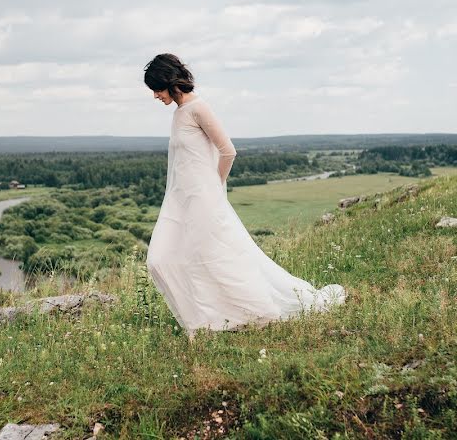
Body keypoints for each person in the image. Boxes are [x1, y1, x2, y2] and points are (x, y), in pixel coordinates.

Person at [143, 53, 346, 343]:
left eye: (156, 88)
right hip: (182, 202)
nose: (154, 95)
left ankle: (239, 316)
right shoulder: (179, 113)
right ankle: (207, 319)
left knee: (212, 258)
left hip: (203, 200)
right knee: (160, 258)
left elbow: (228, 151)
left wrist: (214, 188)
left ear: (169, 82)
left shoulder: (198, 108)